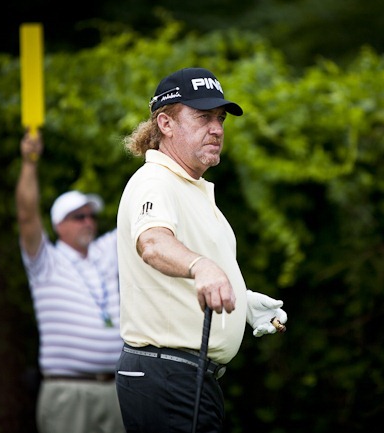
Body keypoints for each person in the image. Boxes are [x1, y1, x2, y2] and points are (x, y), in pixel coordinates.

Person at [116, 67, 289, 432]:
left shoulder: (189, 186)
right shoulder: (155, 181)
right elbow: (153, 243)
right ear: (165, 123)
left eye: (220, 119)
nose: (217, 129)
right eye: (203, 117)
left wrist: (240, 301)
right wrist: (202, 267)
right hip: (167, 376)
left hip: (182, 377)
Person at [16, 131, 125, 433]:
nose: (89, 221)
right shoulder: (45, 261)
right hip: (67, 392)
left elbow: (138, 220)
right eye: (79, 217)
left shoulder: (104, 252)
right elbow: (26, 215)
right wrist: (29, 162)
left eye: (91, 216)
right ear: (58, 225)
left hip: (114, 390)